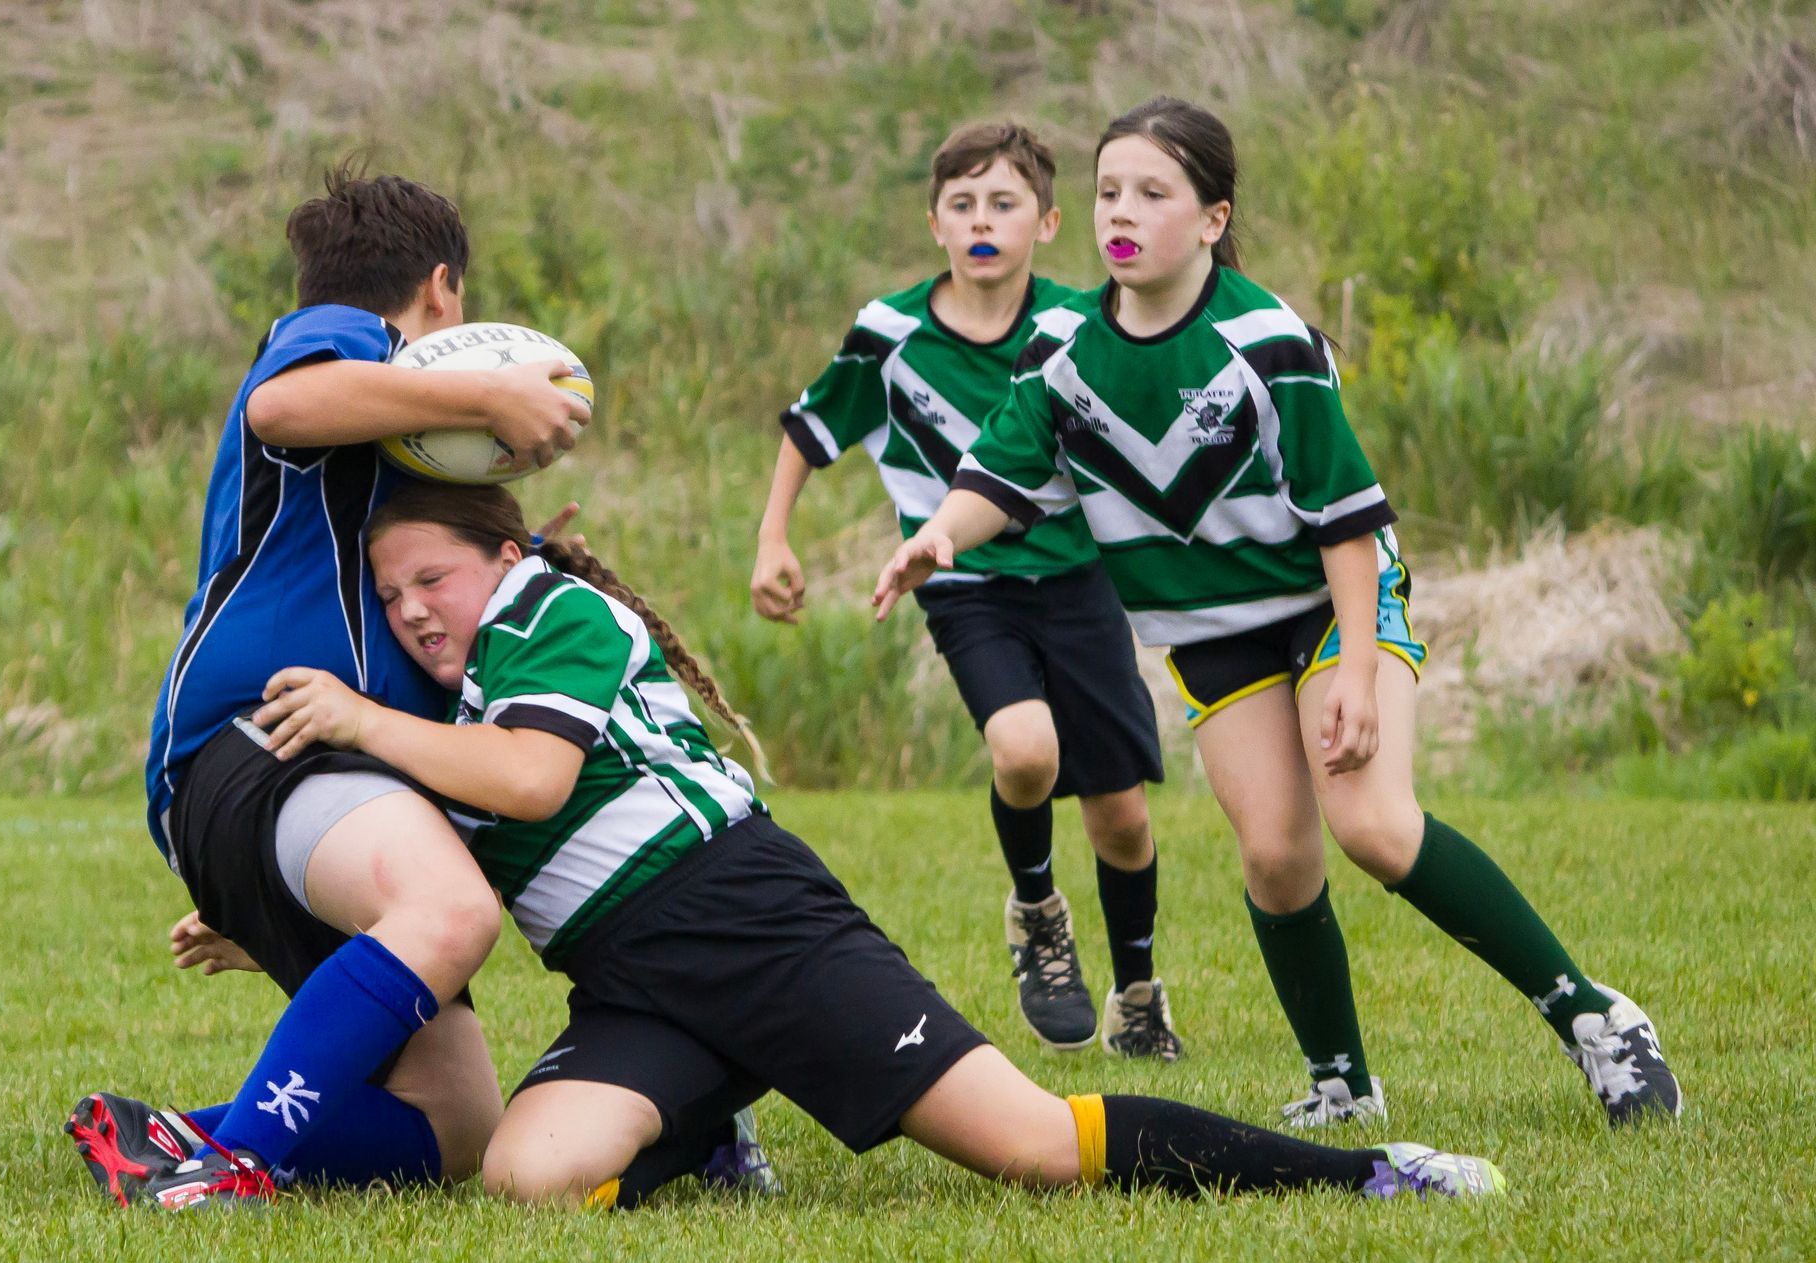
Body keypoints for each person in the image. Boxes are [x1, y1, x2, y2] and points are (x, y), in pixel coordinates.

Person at [235, 480, 1505, 1210]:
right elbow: (448, 858)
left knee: (1034, 1152)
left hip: (750, 919)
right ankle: (717, 1130)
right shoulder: (443, 710)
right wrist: (293, 906)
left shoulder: (547, 609)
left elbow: (531, 779)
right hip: (632, 978)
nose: (412, 611)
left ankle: (1370, 1175)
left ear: (501, 557)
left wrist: (359, 720)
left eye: (431, 580)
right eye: (390, 595)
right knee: (528, 1182)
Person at [872, 97, 1682, 1129]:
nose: (1123, 211)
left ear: (1212, 220)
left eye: (1153, 193)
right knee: (1275, 856)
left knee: (1374, 828)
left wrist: (1351, 672)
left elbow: (1347, 522)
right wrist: (942, 531)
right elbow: (1003, 468)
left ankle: (1598, 1020)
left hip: (1329, 598)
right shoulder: (1061, 347)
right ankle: (1341, 1085)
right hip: (1214, 631)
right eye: (1110, 190)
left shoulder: (1266, 338)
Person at [64, 159, 591, 1208]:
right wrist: (488, 387)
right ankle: (229, 1173)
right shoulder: (346, 335)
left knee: (458, 1129)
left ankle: (164, 1138)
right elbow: (282, 404)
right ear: (441, 291)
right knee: (447, 913)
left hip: (325, 782)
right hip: (264, 738)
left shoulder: (392, 428)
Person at [752, 122, 1175, 1059]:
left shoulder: (1079, 324)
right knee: (1024, 750)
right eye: (962, 204)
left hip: (1079, 577)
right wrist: (772, 538)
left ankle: (1139, 991)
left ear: (1049, 221)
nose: (982, 221)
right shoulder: (891, 333)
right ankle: (1037, 913)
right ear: (934, 222)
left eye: (1005, 203)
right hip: (963, 582)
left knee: (1122, 816)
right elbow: (810, 428)